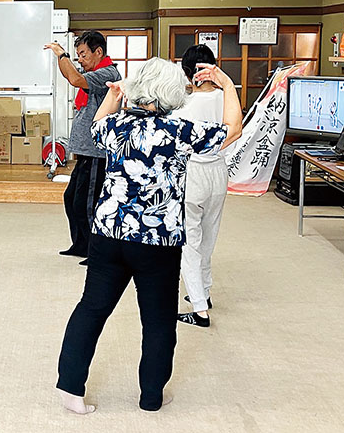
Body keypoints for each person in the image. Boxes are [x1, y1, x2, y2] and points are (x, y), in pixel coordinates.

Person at [55, 57, 242, 414]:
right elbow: (233, 128)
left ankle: (70, 388)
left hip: (109, 234)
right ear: (171, 95)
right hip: (157, 241)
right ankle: (151, 396)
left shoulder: (114, 127)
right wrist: (227, 86)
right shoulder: (180, 130)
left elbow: (96, 122)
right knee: (157, 320)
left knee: (92, 308)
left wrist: (114, 93)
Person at [44, 32, 121, 266]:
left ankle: (96, 252)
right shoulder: (94, 73)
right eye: (77, 55)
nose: (80, 60)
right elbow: (73, 75)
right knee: (71, 199)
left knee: (88, 205)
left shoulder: (107, 74)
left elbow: (75, 79)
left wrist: (62, 54)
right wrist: (62, 59)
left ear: (99, 52)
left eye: (83, 54)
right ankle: (80, 245)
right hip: (86, 152)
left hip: (98, 153)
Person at [172, 45, 229, 328]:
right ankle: (203, 294)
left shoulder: (185, 105)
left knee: (189, 243)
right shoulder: (225, 96)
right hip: (218, 172)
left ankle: (199, 309)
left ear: (187, 72)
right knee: (208, 237)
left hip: (192, 173)